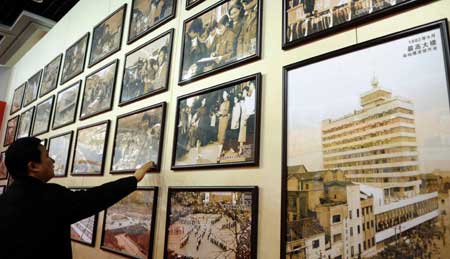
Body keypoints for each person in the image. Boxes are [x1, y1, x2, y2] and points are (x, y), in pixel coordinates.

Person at [0, 137, 156, 259]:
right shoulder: (50, 197)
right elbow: (94, 198)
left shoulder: (4, 200)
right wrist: (134, 179)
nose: (52, 161)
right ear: (33, 166)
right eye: (47, 156)